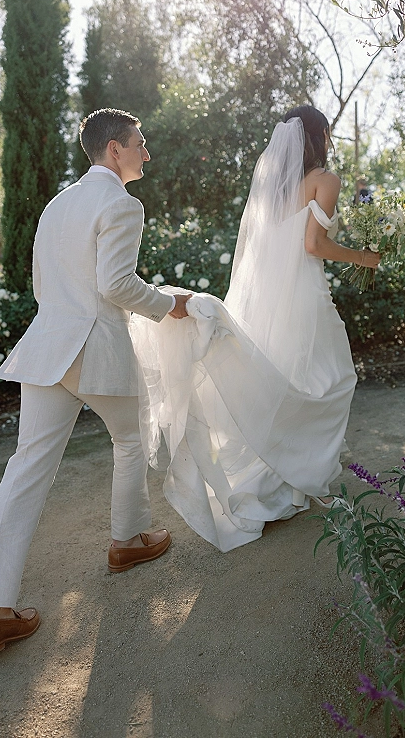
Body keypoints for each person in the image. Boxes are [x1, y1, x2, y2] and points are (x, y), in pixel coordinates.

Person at [0, 108, 191, 655]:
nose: (146, 153)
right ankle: (126, 542)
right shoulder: (122, 202)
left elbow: (45, 285)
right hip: (93, 347)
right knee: (130, 438)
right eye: (139, 143)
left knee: (25, 469)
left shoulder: (56, 205)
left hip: (48, 349)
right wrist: (169, 306)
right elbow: (115, 283)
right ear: (113, 151)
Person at [129, 105, 380, 552]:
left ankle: (291, 477)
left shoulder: (270, 186)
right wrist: (365, 257)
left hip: (270, 297)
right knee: (333, 379)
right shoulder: (326, 179)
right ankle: (303, 476)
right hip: (304, 299)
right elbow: (312, 245)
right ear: (319, 136)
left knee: (285, 381)